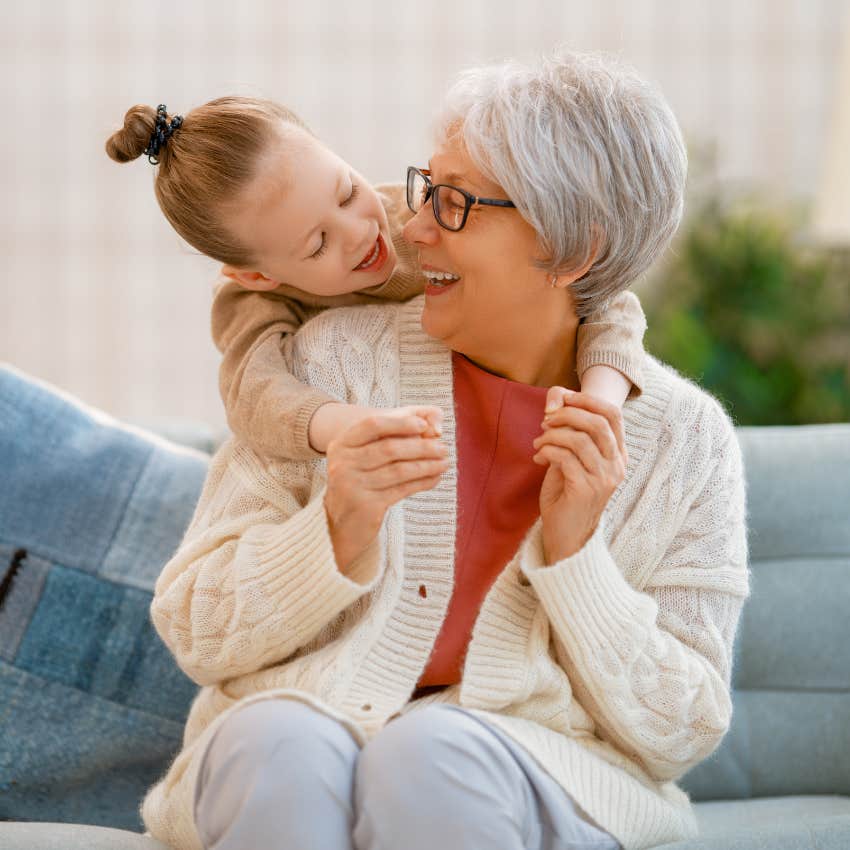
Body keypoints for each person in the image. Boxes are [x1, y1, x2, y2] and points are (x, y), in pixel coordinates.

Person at [139, 50, 750, 850]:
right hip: (300, 740)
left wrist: (575, 560)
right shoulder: (327, 367)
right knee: (277, 744)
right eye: (426, 187)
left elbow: (685, 729)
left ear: (572, 252)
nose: (411, 227)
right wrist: (333, 530)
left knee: (432, 755)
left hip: (532, 773)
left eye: (455, 204)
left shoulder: (686, 441)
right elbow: (193, 626)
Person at [106, 96, 648, 468]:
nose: (360, 232)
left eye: (345, 192)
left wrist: (600, 399)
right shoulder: (249, 302)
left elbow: (595, 286)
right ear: (258, 274)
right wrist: (348, 426)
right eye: (316, 244)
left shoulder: (424, 215)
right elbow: (253, 395)